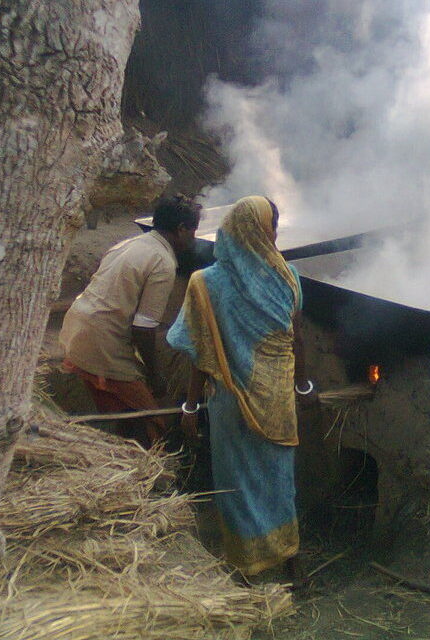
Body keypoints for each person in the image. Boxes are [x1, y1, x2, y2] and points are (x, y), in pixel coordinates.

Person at [167, 195, 317, 582]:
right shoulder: (289, 277)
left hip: (231, 402)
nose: (276, 232)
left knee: (237, 484)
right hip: (278, 401)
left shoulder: (206, 284)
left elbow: (200, 352)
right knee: (278, 482)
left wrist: (188, 406)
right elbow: (297, 340)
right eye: (274, 225)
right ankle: (290, 562)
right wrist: (302, 387)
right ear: (263, 231)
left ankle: (245, 569)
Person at [59, 195, 200, 445]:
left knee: (122, 414)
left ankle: (125, 453)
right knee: (152, 420)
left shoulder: (129, 244)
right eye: (193, 231)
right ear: (181, 230)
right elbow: (144, 328)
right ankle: (153, 472)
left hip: (76, 330)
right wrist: (155, 375)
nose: (193, 238)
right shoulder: (163, 263)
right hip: (101, 342)